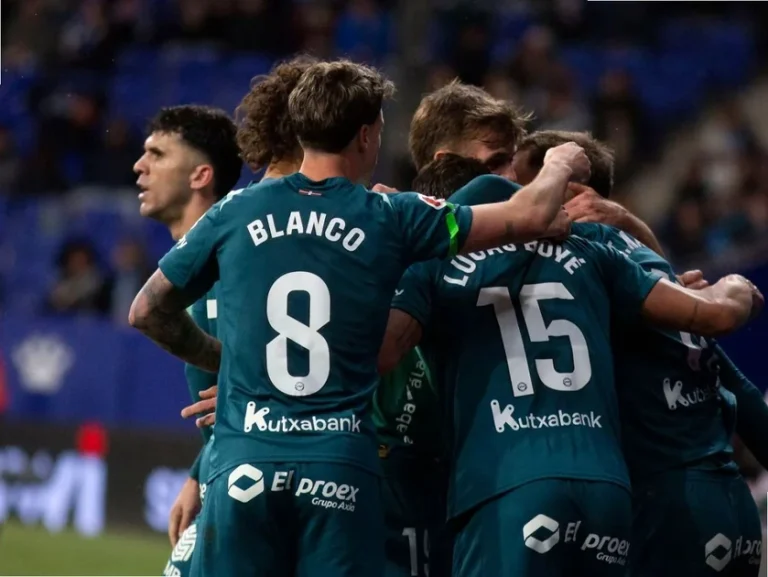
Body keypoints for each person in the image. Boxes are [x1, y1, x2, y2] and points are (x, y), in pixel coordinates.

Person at [128, 59, 589, 577]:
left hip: (245, 465)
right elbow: (529, 215)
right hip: (339, 469)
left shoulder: (234, 212)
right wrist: (560, 162)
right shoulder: (393, 216)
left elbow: (146, 310)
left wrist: (229, 360)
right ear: (366, 135)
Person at [380, 154, 763, 577]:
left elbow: (383, 350)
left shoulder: (433, 261)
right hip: (613, 494)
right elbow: (716, 323)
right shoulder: (598, 253)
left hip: (508, 486)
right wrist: (736, 286)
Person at [512, 130, 766, 576]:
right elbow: (737, 387)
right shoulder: (653, 271)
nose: (518, 203)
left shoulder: (584, 276)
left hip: (669, 509)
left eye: (527, 187)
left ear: (569, 190)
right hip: (731, 505)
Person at [132, 104, 242, 577]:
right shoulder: (189, 266)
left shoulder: (237, 260)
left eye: (157, 154)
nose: (140, 166)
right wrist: (199, 473)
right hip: (222, 472)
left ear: (201, 175)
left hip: (258, 478)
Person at [408, 81, 665, 255]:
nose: (512, 176)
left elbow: (664, 283)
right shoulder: (407, 245)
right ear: (444, 163)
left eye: (511, 160)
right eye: (495, 163)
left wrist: (627, 224)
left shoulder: (537, 232)